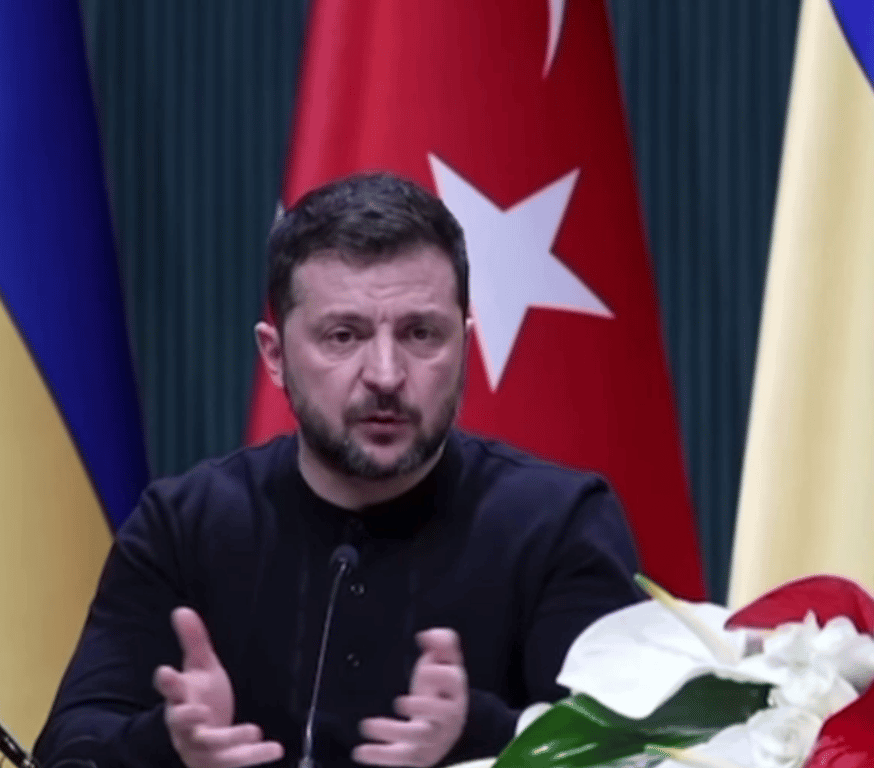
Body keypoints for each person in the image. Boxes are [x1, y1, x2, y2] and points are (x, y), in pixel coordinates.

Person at [33, 171, 641, 768]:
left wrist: (480, 736)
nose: (386, 375)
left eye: (421, 334)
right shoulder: (183, 526)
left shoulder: (559, 524)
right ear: (275, 355)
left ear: (463, 344)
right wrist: (169, 743)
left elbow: (637, 754)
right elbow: (67, 749)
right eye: (344, 336)